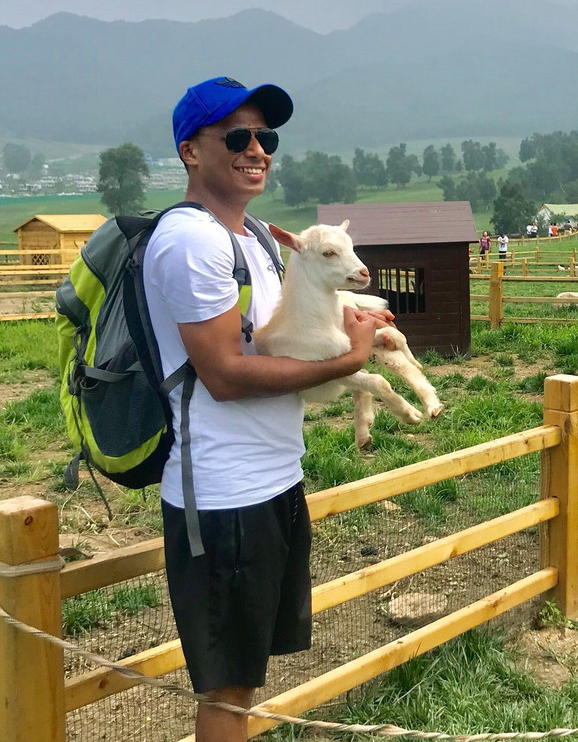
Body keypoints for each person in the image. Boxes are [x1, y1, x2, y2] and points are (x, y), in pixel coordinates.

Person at [145, 76, 387, 741]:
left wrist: (351, 325)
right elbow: (225, 375)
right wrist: (349, 362)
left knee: (246, 679)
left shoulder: (253, 237)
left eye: (266, 137)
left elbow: (281, 337)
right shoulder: (191, 242)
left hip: (275, 479)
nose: (257, 150)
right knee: (228, 688)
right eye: (237, 137)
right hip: (224, 496)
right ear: (191, 151)